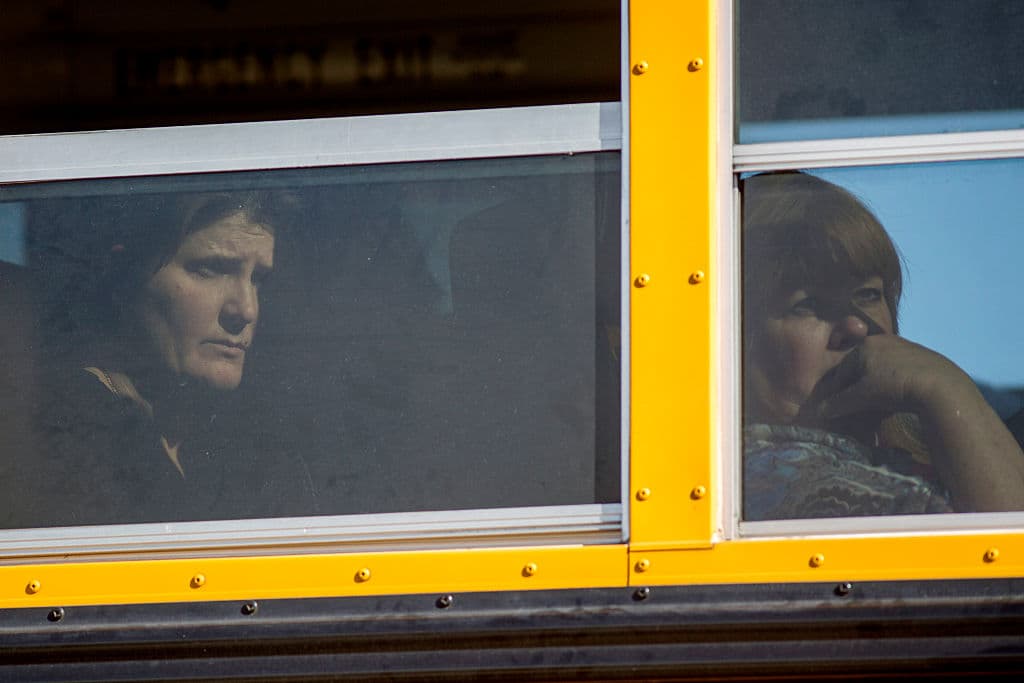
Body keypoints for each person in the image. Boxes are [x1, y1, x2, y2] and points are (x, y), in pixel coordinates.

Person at [4, 190, 315, 528]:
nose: (246, 309)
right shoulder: (54, 436)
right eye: (211, 269)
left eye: (258, 280)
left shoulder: (248, 447)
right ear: (125, 277)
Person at [742, 172, 1024, 520]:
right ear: (740, 341)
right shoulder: (782, 480)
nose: (857, 326)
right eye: (808, 304)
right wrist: (944, 388)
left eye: (868, 295)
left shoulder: (909, 449)